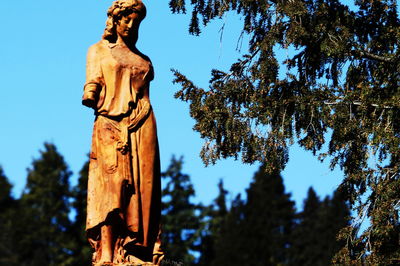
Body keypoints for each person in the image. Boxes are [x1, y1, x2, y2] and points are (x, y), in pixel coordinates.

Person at [82, 0, 163, 265]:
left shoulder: (144, 60)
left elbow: (146, 96)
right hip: (109, 123)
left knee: (143, 189)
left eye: (135, 21)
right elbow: (91, 87)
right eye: (126, 19)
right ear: (115, 20)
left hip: (143, 124)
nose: (130, 25)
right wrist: (92, 91)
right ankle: (107, 252)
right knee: (111, 187)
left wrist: (140, 117)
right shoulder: (98, 50)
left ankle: (138, 251)